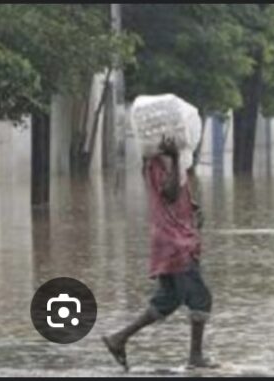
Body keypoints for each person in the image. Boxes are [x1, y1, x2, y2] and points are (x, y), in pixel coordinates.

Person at [102, 137, 215, 371]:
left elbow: (176, 198)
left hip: (172, 240)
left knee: (168, 300)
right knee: (200, 297)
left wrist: (192, 207)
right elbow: (169, 193)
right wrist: (174, 158)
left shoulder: (169, 164)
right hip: (176, 244)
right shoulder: (157, 163)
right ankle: (195, 357)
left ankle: (119, 338)